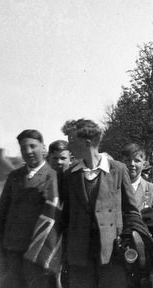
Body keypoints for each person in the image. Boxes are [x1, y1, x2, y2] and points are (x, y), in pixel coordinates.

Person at [59, 119, 143, 288]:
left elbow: (132, 211)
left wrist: (126, 239)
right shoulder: (70, 175)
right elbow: (65, 216)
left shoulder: (117, 170)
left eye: (72, 141)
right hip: (80, 254)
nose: (69, 147)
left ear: (87, 143)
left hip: (112, 252)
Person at [0, 129, 56, 288]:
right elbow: (2, 212)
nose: (28, 151)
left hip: (39, 251)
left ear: (43, 147)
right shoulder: (14, 176)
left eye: (33, 146)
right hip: (12, 248)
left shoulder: (54, 177)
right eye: (23, 148)